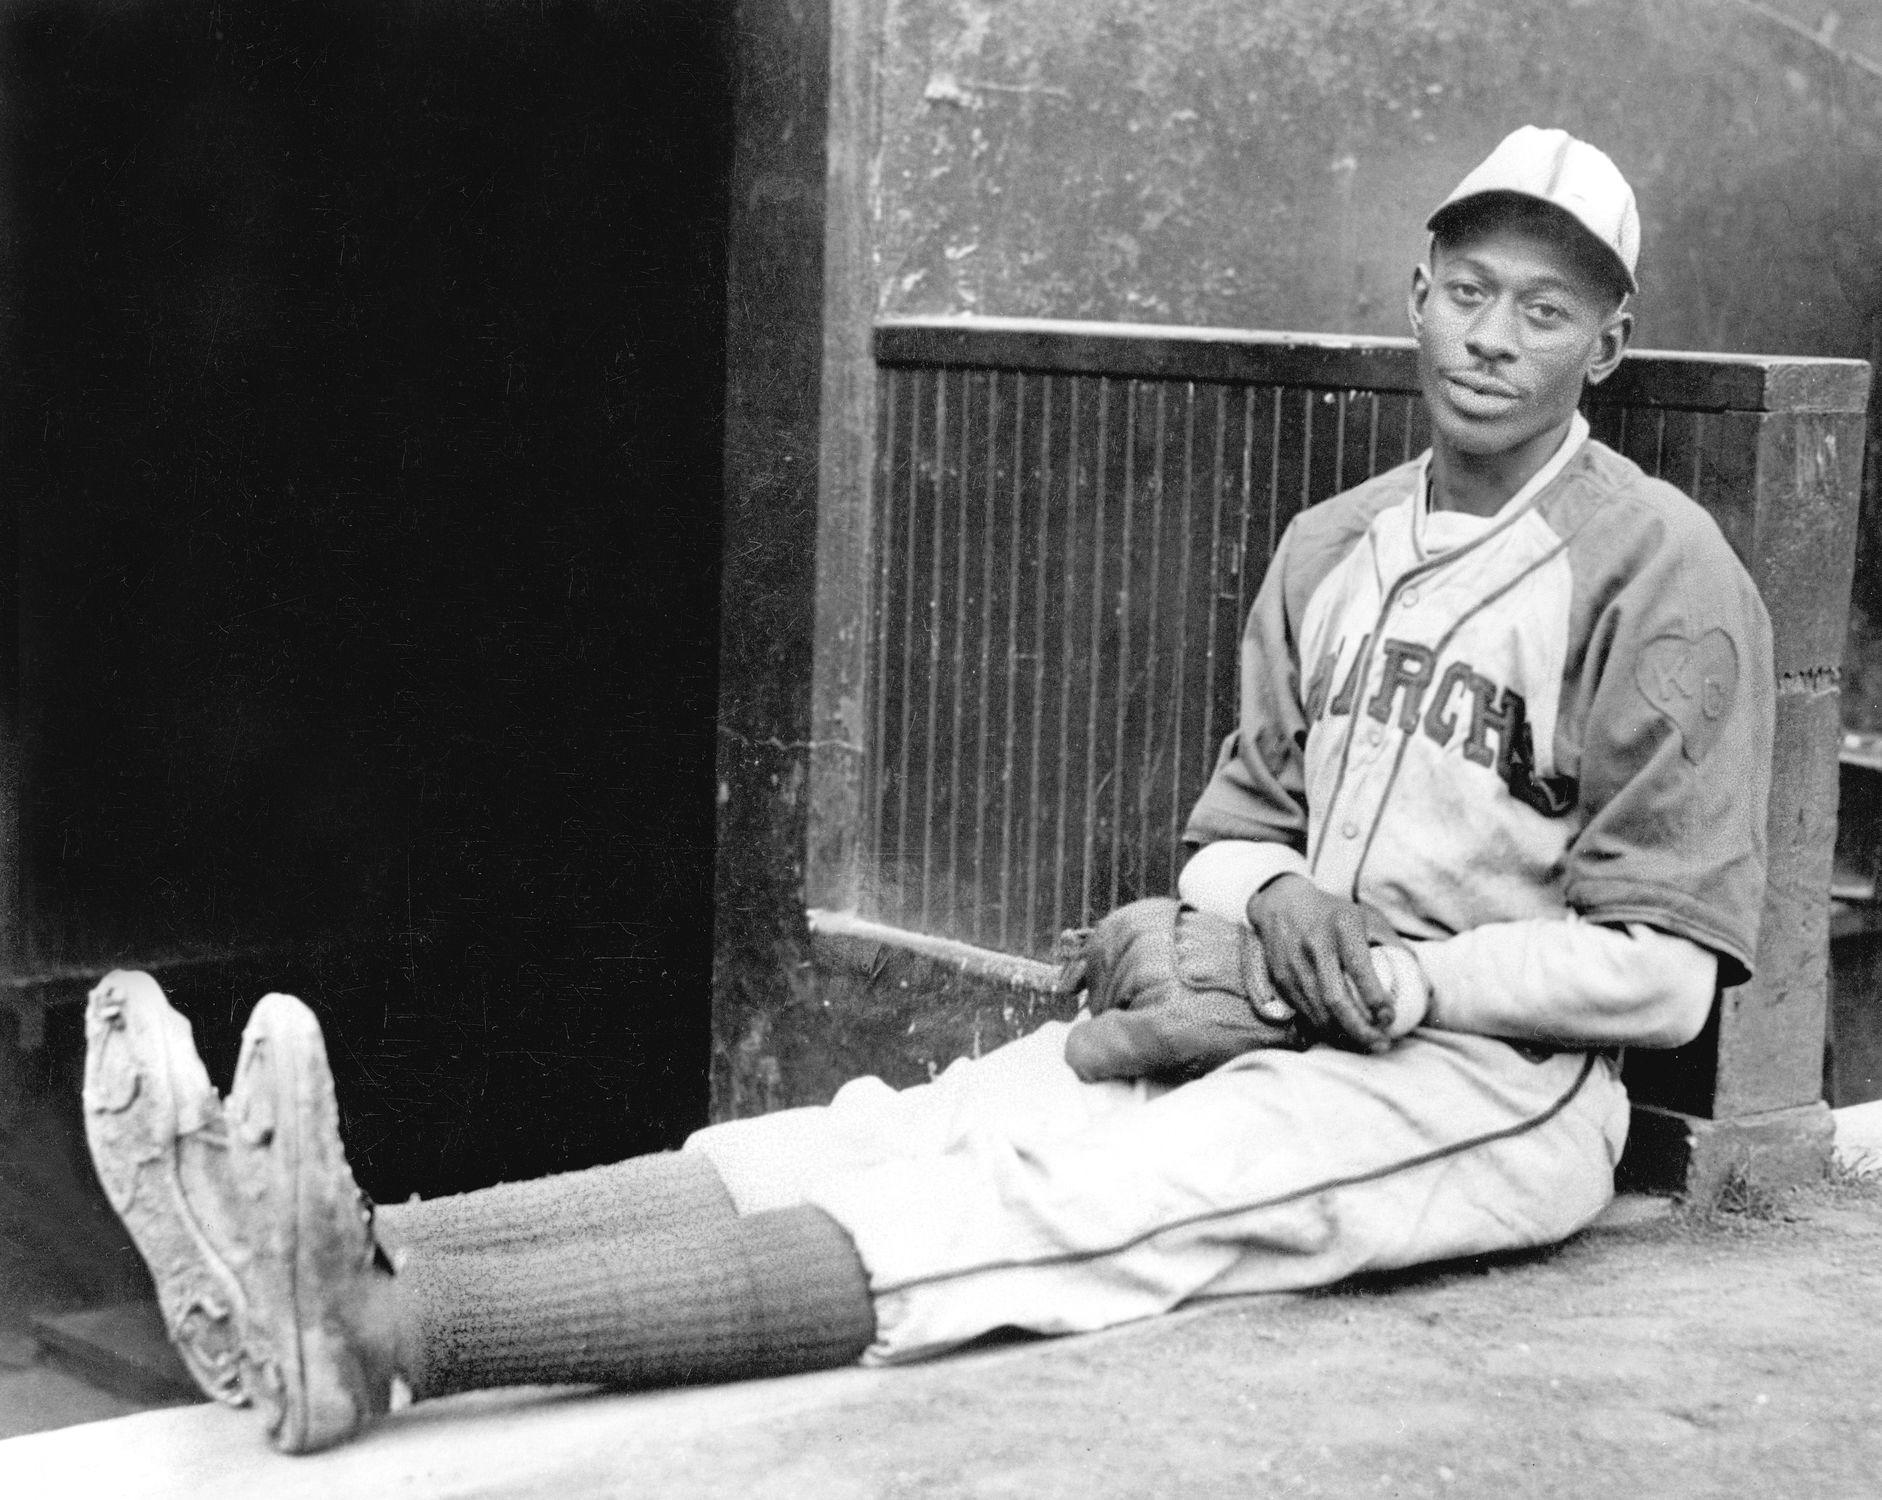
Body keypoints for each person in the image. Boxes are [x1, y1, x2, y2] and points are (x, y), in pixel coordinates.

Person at [84, 125, 1774, 1455]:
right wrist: (1266, 904)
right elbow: (1229, 840)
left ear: (1605, 343)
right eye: (1468, 288)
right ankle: (343, 1242)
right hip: (1257, 1006)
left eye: (1543, 309)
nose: (1491, 336)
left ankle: (389, 1342)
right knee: (893, 1128)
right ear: (1416, 289)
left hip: (1479, 1087)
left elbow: (1660, 971)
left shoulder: (1659, 573)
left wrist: (1386, 969)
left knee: (1038, 1209)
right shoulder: (1331, 544)